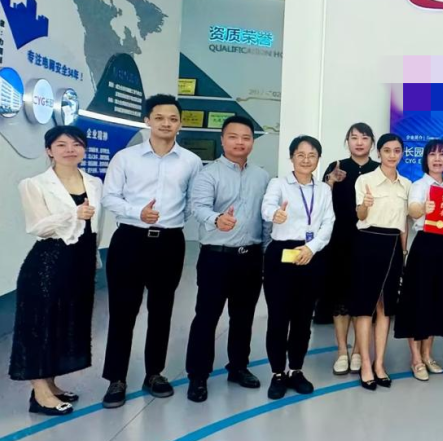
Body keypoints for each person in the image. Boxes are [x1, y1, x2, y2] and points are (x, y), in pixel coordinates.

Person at [100, 94, 202, 408]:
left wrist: (171, 221)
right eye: (159, 118)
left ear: (180, 124)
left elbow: (193, 201)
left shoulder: (191, 162)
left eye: (173, 119)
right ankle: (116, 378)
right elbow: (109, 197)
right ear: (147, 121)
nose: (166, 124)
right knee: (122, 311)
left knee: (162, 310)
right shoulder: (125, 158)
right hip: (129, 240)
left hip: (169, 243)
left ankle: (154, 373)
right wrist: (138, 213)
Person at [9, 126, 101, 415]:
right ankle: (39, 394)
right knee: (39, 326)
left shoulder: (94, 182)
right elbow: (37, 226)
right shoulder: (34, 184)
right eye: (61, 145)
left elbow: (96, 225)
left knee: (63, 324)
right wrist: (73, 213)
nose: (70, 150)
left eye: (76, 144)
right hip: (48, 263)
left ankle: (50, 384)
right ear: (49, 151)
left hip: (80, 263)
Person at [184, 116, 271, 402]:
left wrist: (267, 251)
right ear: (222, 140)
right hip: (216, 257)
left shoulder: (262, 176)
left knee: (243, 317)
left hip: (251, 257)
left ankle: (238, 367)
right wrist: (216, 219)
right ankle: (198, 375)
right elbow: (198, 207)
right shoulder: (208, 174)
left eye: (246, 137)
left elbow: (266, 218)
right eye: (233, 137)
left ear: (252, 142)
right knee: (207, 317)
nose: (239, 142)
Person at [261, 135, 335, 399]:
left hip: (310, 254)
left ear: (318, 159)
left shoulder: (323, 190)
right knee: (278, 317)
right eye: (300, 154)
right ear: (291, 157)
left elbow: (328, 223)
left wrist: (311, 249)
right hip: (282, 254)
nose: (306, 160)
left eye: (312, 155)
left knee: (303, 318)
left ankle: (296, 369)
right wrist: (275, 214)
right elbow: (267, 207)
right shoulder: (279, 184)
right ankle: (277, 373)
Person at [394, 139, 443, 381]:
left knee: (437, 300)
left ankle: (427, 354)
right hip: (424, 245)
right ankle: (415, 359)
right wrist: (424, 207)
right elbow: (412, 211)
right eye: (433, 154)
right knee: (418, 300)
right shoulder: (418, 185)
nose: (438, 159)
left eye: (442, 154)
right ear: (425, 159)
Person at [314, 122, 378, 376]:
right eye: (354, 138)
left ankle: (359, 352)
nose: (359, 142)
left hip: (371, 240)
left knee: (364, 297)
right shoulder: (336, 167)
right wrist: (331, 181)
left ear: (372, 143)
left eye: (364, 138)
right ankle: (342, 350)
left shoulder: (378, 169)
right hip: (339, 241)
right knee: (339, 297)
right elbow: (320, 202)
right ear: (347, 142)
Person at [351, 133, 411, 391]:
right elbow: (360, 215)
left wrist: (404, 252)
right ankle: (365, 363)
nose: (392, 155)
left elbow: (404, 222)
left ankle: (380, 364)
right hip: (368, 243)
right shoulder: (365, 180)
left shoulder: (406, 184)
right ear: (379, 153)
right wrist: (365, 204)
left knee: (385, 308)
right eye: (387, 150)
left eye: (397, 150)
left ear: (402, 154)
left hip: (394, 246)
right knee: (365, 307)